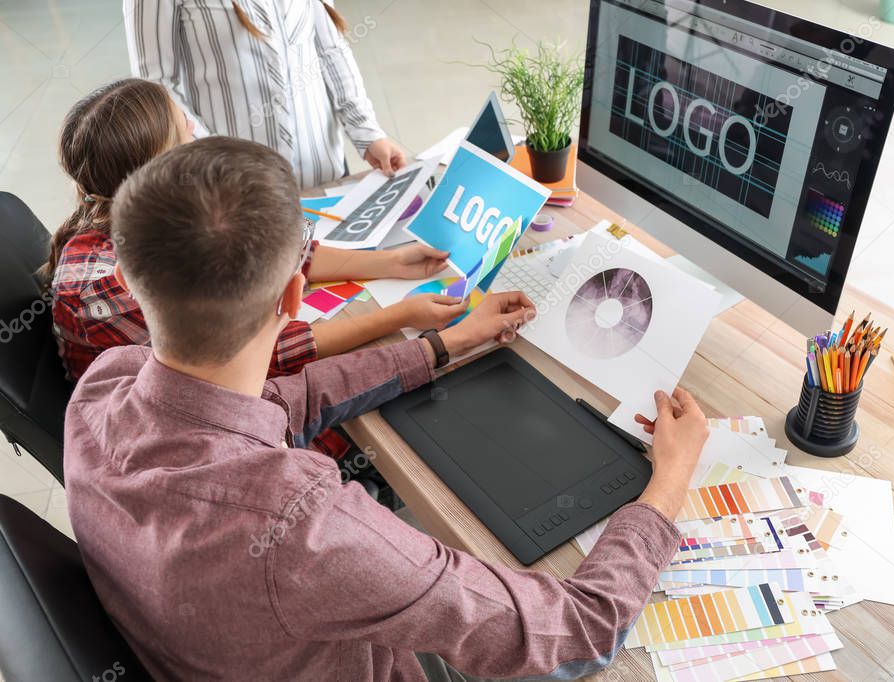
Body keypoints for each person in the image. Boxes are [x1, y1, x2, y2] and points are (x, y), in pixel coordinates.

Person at [65, 136, 708, 680]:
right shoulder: (305, 531)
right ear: (295, 292)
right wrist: (669, 481)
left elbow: (282, 400)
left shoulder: (102, 386)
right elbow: (577, 632)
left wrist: (441, 346)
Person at [46, 78, 464, 383]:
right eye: (182, 126)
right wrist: (400, 316)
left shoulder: (149, 217)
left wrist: (390, 262)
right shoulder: (105, 292)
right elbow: (259, 353)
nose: (194, 128)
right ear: (161, 164)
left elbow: (264, 248)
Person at [124, 0, 405, 187]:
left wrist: (367, 133)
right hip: (236, 188)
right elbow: (156, 83)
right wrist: (215, 159)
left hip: (325, 174)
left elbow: (330, 49)